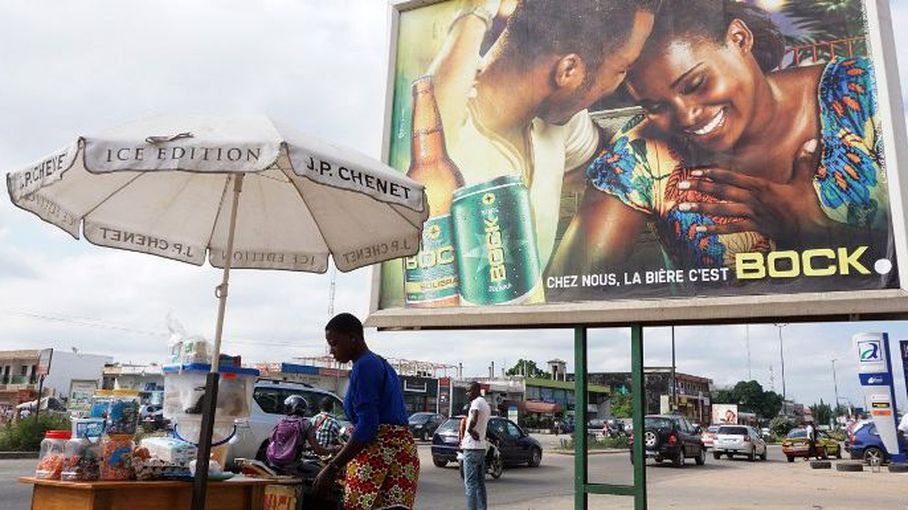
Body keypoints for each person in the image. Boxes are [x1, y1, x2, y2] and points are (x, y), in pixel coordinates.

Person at [552, 0, 891, 286]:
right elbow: (570, 292)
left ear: (739, 39)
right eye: (656, 106)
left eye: (695, 83)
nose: (685, 116)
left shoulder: (866, 98)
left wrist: (818, 231)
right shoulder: (640, 156)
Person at [426, 0, 659, 270]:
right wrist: (474, 15)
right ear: (568, 71)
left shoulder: (561, 123)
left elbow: (619, 161)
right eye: (623, 69)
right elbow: (429, 120)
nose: (623, 82)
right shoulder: (447, 136)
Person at [313, 313, 419, 510]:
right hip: (397, 454)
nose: (331, 351)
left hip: (383, 455)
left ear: (353, 338)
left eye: (334, 343)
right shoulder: (377, 363)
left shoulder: (365, 366)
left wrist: (332, 467)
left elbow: (368, 424)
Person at [265, 395, 338, 474]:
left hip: (273, 461)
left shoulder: (280, 421)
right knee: (322, 472)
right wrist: (334, 450)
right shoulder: (305, 423)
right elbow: (319, 451)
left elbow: (271, 440)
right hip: (291, 465)